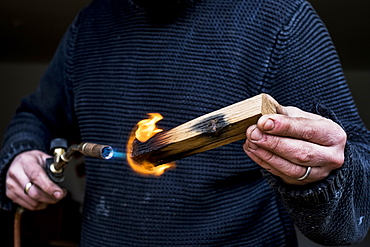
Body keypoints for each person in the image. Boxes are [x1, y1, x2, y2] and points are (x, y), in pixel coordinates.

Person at [1, 0, 370, 246]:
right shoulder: (89, 26)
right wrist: (20, 156)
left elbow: (359, 194)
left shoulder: (281, 20)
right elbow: (35, 116)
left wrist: (325, 176)